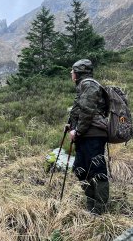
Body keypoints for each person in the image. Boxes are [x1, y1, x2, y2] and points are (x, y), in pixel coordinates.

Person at [67, 59, 109, 215]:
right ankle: (91, 204)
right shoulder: (83, 86)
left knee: (97, 170)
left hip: (93, 135)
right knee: (80, 169)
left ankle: (100, 210)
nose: (71, 73)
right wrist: (71, 126)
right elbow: (80, 110)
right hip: (86, 135)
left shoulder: (89, 85)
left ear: (79, 73)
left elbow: (87, 111)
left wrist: (77, 131)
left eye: (73, 71)